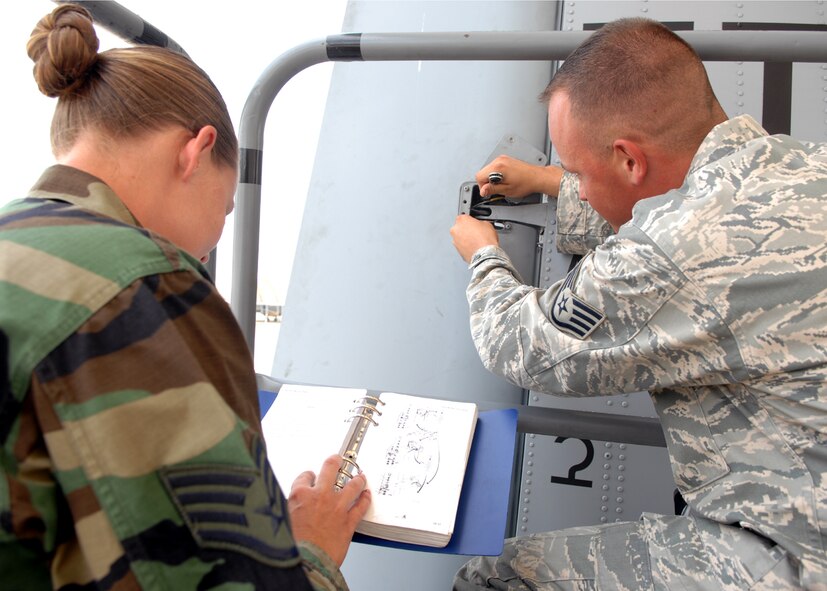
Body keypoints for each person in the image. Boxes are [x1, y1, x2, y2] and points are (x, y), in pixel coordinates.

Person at [0, 5, 370, 590]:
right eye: (224, 211)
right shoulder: (146, 286)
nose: (206, 250)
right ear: (194, 152)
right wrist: (312, 554)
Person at [451, 17, 826, 591]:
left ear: (628, 159)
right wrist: (552, 181)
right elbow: (666, 215)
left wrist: (484, 257)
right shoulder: (801, 166)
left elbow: (521, 344)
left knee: (499, 580)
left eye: (579, 169)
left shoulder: (673, 248)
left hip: (799, 555)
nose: (575, 181)